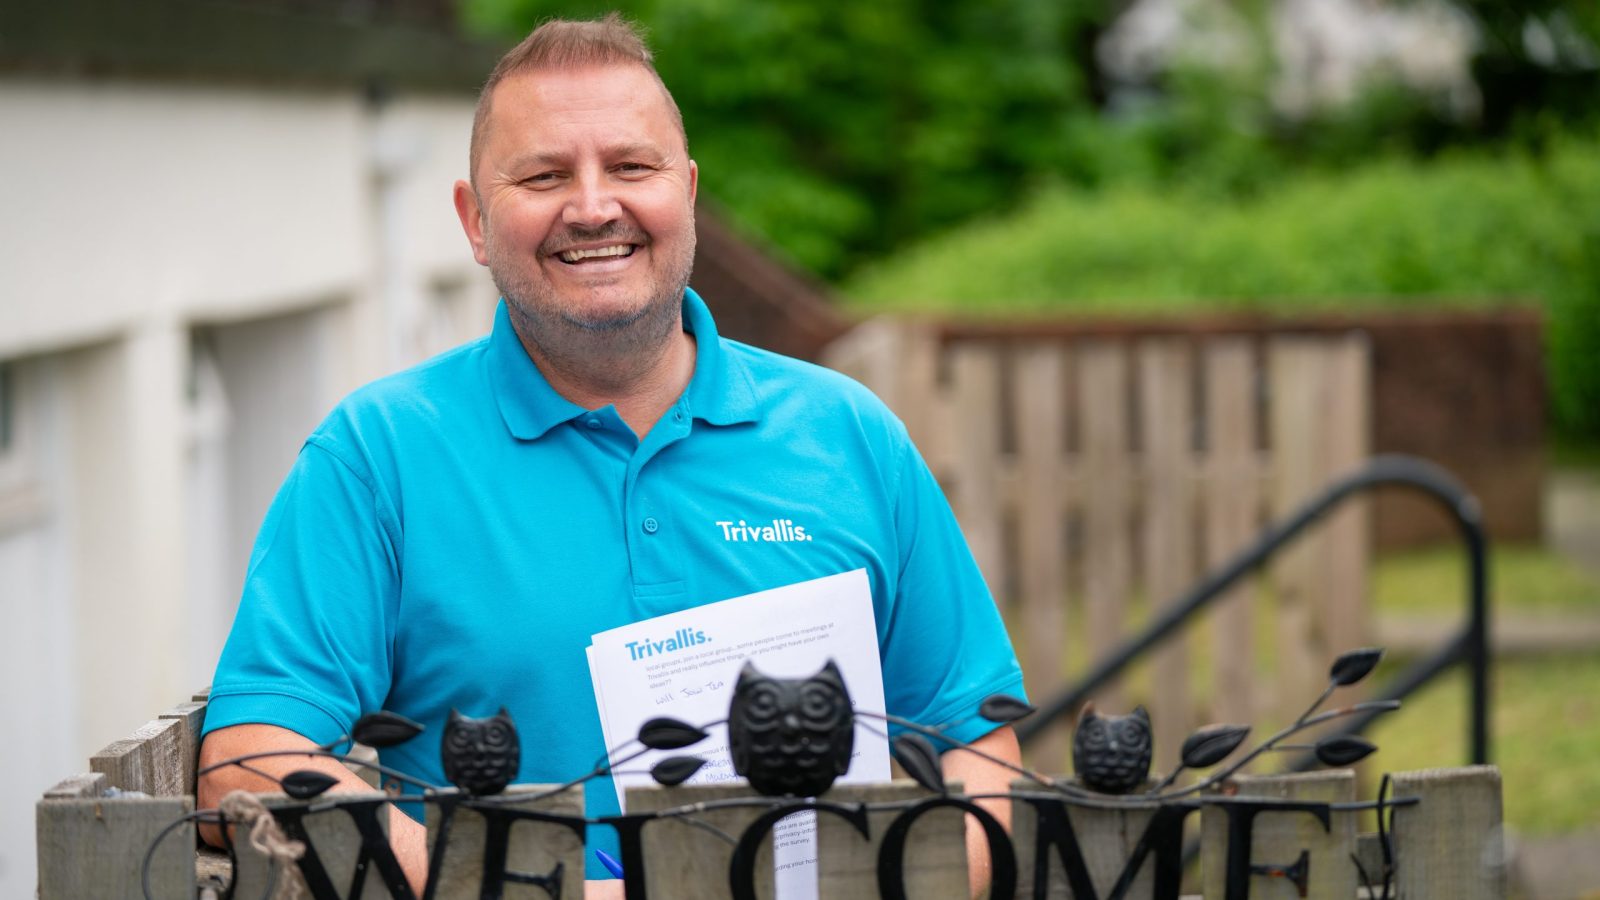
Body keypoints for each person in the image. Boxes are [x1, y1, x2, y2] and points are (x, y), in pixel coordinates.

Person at [197, 14, 1025, 898]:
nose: (594, 206)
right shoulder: (377, 457)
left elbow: (976, 742)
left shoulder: (848, 436)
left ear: (689, 192)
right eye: (545, 175)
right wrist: (525, 891)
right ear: (476, 222)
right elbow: (248, 761)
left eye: (632, 167)